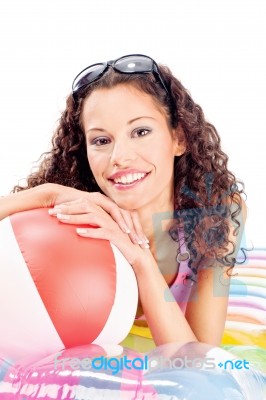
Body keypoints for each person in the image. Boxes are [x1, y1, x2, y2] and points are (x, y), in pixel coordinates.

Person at [0, 54, 246, 347]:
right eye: (101, 141)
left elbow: (198, 360)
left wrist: (140, 260)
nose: (120, 158)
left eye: (141, 131)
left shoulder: (218, 209)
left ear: (179, 138)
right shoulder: (71, 214)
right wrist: (48, 193)